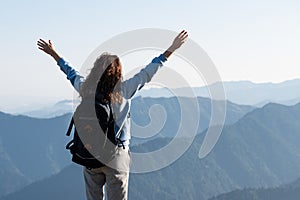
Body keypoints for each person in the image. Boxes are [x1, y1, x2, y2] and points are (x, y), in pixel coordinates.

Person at [37, 30, 188, 200]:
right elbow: (148, 72)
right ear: (117, 72)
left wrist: (53, 53)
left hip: (89, 153)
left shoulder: (86, 89)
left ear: (95, 70)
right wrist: (172, 49)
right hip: (116, 156)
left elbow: (70, 73)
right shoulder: (124, 90)